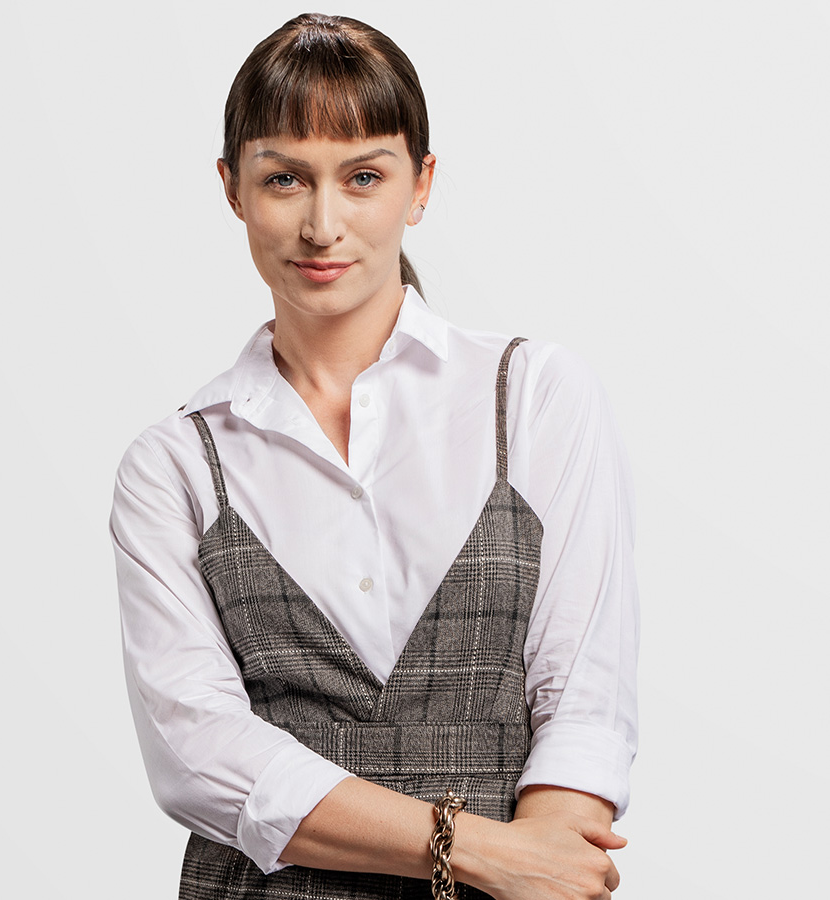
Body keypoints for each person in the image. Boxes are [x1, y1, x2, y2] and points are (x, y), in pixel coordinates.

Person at [110, 13, 639, 900]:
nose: (323, 225)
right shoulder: (176, 464)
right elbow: (197, 754)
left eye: (363, 177)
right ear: (233, 189)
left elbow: (586, 696)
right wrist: (476, 850)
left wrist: (541, 859)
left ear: (420, 184)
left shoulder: (533, 396)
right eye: (284, 178)